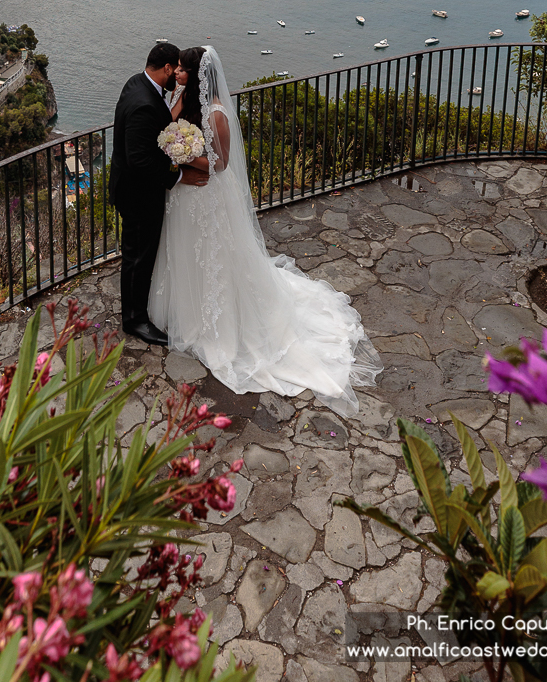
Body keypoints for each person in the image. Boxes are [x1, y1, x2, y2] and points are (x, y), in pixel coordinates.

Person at [148, 45, 382, 413]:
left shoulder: (217, 114)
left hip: (206, 194)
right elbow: (169, 126)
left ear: (194, 74)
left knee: (216, 258)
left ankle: (221, 326)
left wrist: (183, 157)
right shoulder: (183, 98)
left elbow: (221, 165)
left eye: (181, 69)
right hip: (185, 195)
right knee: (186, 254)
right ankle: (189, 312)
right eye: (175, 69)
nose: (175, 73)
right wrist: (174, 147)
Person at [109, 41, 208, 345]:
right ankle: (135, 321)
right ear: (166, 68)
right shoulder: (144, 104)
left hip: (133, 188)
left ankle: (137, 312)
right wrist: (178, 175)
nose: (176, 74)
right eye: (174, 68)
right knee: (138, 257)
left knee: (137, 255)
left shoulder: (137, 83)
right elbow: (139, 160)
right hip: (139, 195)